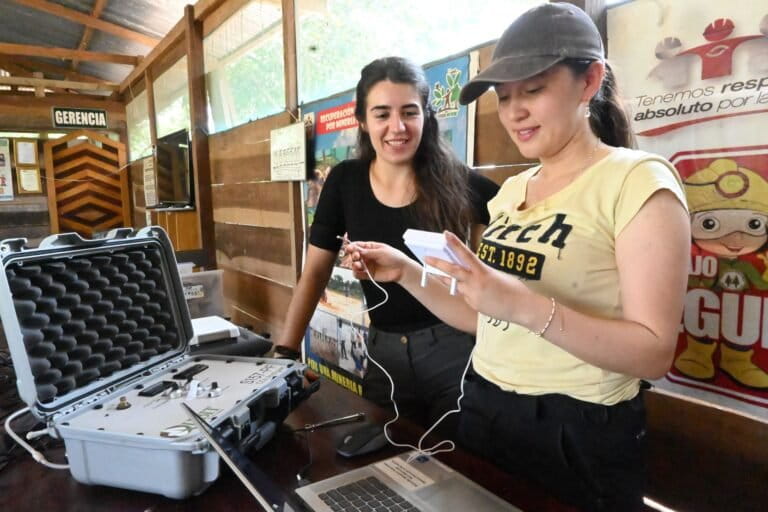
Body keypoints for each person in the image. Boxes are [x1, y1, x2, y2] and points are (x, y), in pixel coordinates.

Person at [344, 4, 690, 511]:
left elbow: (654, 352)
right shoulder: (512, 192)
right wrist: (410, 274)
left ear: (589, 81)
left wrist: (525, 305)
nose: (514, 113)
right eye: (504, 98)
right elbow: (488, 317)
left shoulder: (638, 181)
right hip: (485, 406)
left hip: (577, 429)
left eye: (533, 91)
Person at [273, 56, 499, 431]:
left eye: (409, 112)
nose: (398, 127)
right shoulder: (345, 181)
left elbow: (521, 219)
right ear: (362, 120)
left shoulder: (455, 180)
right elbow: (314, 272)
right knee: (383, 457)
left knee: (459, 466)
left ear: (426, 116)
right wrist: (285, 350)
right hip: (382, 350)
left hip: (456, 350)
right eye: (382, 114)